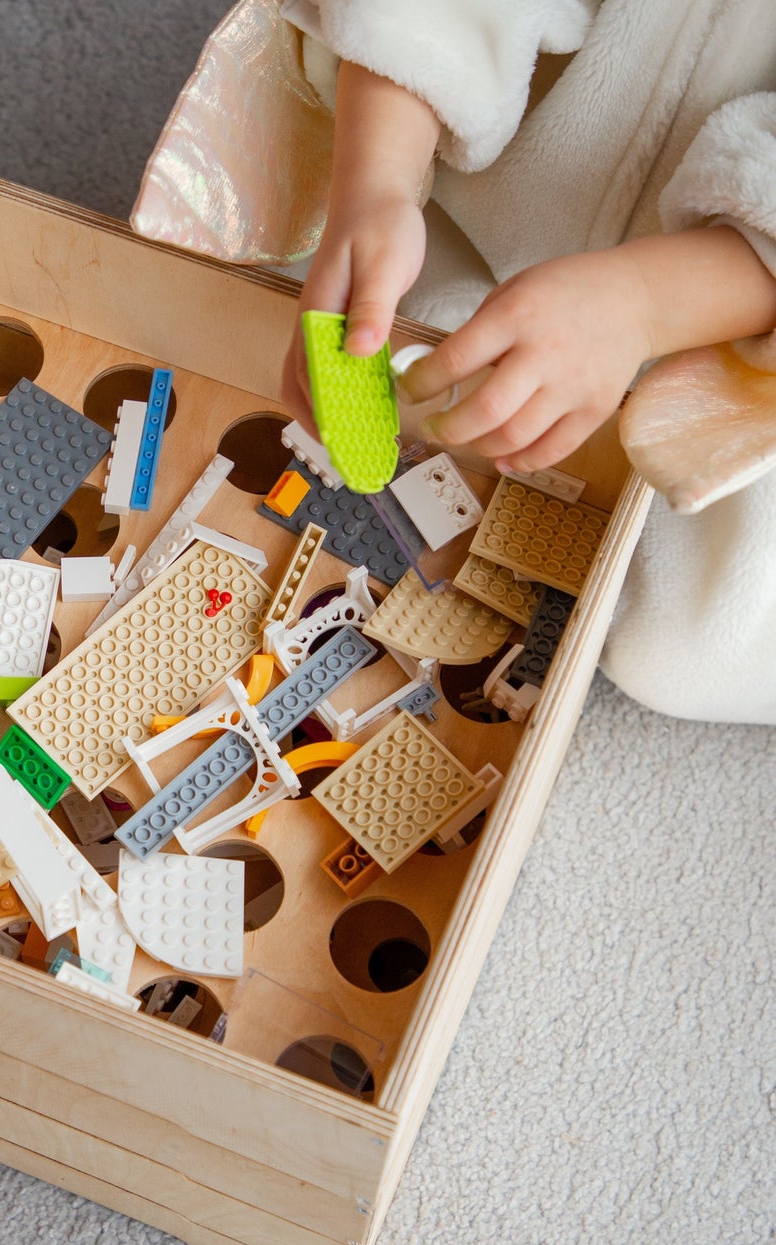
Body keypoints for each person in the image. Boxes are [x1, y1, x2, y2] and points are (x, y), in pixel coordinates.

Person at [145, 0, 776, 723]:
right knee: (256, 313)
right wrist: (376, 184)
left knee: (689, 639)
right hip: (469, 188)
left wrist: (641, 305)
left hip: (730, 320)